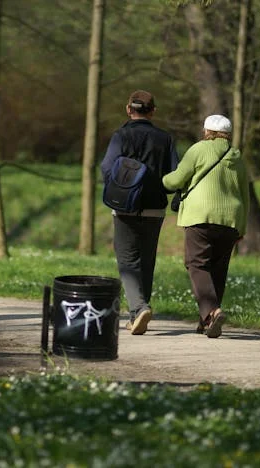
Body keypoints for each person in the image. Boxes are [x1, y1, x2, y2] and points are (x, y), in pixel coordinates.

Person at [162, 115, 250, 338]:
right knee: (217, 269)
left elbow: (175, 181)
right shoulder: (237, 156)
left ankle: (212, 311)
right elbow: (245, 195)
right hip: (231, 219)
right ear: (227, 134)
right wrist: (242, 227)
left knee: (196, 264)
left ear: (206, 131)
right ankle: (207, 321)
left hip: (201, 216)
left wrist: (161, 180)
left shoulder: (198, 149)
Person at [100, 90, 179, 336]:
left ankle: (139, 306)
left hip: (125, 207)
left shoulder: (121, 135)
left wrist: (118, 188)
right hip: (155, 208)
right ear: (153, 111)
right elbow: (173, 174)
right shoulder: (164, 138)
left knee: (126, 260)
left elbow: (106, 167)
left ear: (128, 109)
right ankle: (137, 314)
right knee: (147, 260)